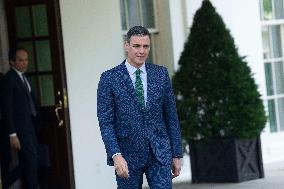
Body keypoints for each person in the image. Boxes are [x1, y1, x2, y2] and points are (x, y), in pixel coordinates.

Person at [97, 26, 183, 189]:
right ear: (126, 46)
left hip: (159, 152)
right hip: (127, 155)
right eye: (137, 46)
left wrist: (177, 154)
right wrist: (116, 155)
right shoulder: (109, 78)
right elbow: (106, 122)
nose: (142, 51)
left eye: (146, 46)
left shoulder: (161, 74)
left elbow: (171, 116)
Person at [1, 47, 38, 189]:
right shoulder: (9, 79)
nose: (25, 63)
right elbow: (6, 109)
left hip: (29, 126)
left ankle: (4, 183)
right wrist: (12, 134)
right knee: (32, 160)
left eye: (26, 60)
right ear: (12, 62)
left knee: (28, 162)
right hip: (19, 130)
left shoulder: (23, 78)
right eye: (21, 60)